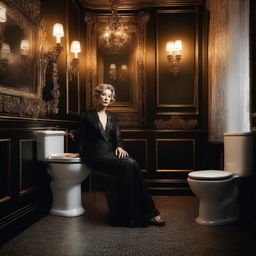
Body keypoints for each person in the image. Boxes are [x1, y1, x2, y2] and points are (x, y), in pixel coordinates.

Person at [80, 84, 165, 227]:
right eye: (104, 95)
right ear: (97, 96)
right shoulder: (86, 116)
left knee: (132, 165)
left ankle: (135, 214)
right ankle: (151, 213)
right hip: (95, 155)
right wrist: (81, 155)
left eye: (109, 96)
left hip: (110, 153)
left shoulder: (113, 116)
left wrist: (119, 147)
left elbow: (118, 136)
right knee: (130, 164)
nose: (107, 98)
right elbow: (82, 139)